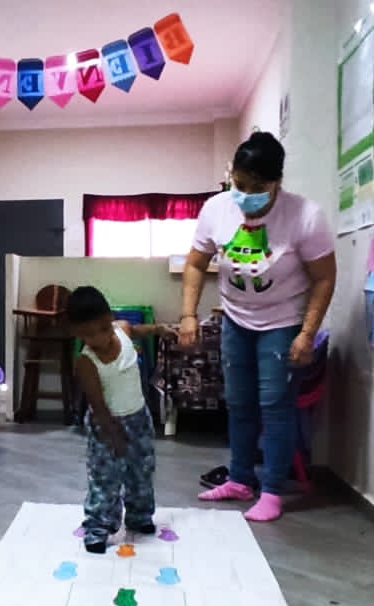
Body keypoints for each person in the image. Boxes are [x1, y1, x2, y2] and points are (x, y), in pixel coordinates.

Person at [178, 131, 337, 522]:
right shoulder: (217, 209)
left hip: (282, 322)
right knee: (239, 403)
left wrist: (306, 333)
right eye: (239, 184)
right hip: (235, 319)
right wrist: (188, 314)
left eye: (257, 188)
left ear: (277, 182)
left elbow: (324, 278)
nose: (246, 195)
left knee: (275, 406)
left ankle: (272, 492)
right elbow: (196, 263)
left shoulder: (305, 216)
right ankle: (239, 479)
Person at [69, 287, 168, 553]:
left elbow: (138, 331)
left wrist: (160, 329)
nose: (100, 338)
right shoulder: (87, 362)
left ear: (110, 318)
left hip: (139, 418)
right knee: (106, 477)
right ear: (77, 333)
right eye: (89, 334)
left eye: (104, 328)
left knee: (141, 469)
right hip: (106, 424)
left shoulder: (122, 330)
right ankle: (99, 526)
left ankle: (139, 515)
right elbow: (98, 405)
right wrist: (113, 435)